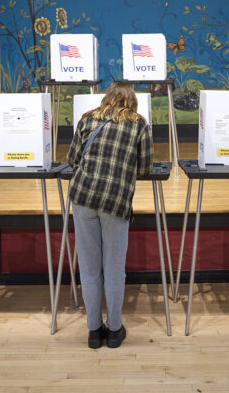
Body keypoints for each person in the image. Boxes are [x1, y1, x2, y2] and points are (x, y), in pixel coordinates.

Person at [67, 81, 153, 349]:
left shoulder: (87, 119)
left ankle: (94, 331)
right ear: (132, 99)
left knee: (90, 269)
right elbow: (145, 167)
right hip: (115, 202)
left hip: (83, 197)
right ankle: (114, 331)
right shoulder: (138, 124)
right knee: (114, 268)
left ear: (108, 97)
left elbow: (73, 159)